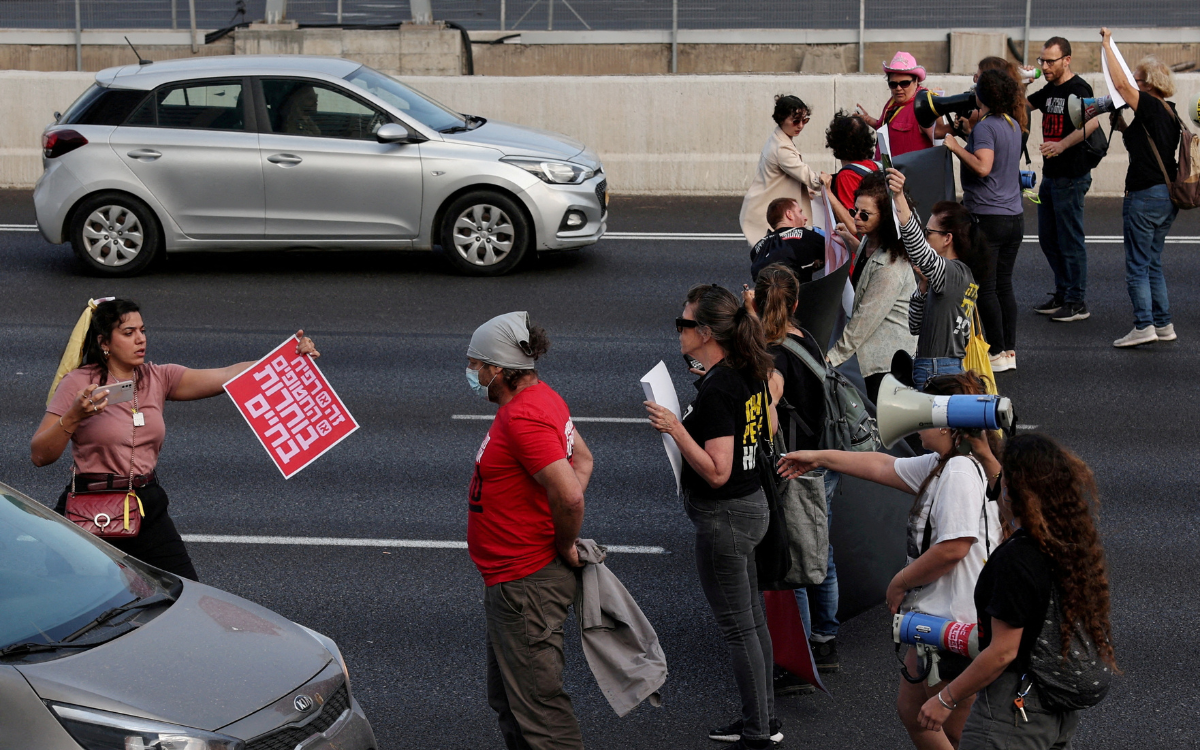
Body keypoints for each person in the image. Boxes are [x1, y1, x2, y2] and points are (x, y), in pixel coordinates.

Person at [778, 371, 1003, 750]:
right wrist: (817, 457)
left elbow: (955, 546)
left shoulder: (959, 471)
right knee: (928, 717)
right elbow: (881, 466)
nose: (917, 425)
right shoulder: (943, 463)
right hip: (950, 616)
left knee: (945, 725)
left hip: (957, 619)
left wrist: (899, 582)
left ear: (949, 428)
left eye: (924, 416)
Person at [31, 298, 320, 581]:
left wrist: (289, 357)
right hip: (93, 507)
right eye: (129, 333)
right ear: (105, 342)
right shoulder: (80, 383)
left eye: (142, 331)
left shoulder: (158, 377)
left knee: (185, 594)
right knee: (79, 606)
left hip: (146, 503)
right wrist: (73, 416)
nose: (140, 339)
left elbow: (229, 375)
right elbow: (40, 455)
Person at [916, 433, 1117, 750]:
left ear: (1018, 491)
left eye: (1006, 480)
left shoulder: (1017, 559)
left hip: (1016, 712)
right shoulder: (1067, 539)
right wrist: (985, 455)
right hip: (1055, 708)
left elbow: (1003, 652)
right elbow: (1010, 507)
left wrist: (946, 698)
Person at [644, 284, 780, 750]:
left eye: (683, 324)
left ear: (704, 332)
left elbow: (717, 472)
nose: (678, 332)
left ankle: (757, 731)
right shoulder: (750, 368)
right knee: (753, 621)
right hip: (753, 505)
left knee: (738, 628)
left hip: (726, 517)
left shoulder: (721, 385)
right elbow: (772, 426)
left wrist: (676, 427)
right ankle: (765, 719)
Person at [464, 311, 593, 750]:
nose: (471, 373)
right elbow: (583, 461)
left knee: (540, 713)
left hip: (526, 584)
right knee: (509, 702)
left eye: (475, 364)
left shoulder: (523, 418)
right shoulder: (544, 399)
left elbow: (571, 493)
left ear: (498, 369)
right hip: (513, 581)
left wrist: (563, 541)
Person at [748, 264, 839, 693]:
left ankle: (797, 658)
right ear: (796, 303)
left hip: (794, 464)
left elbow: (769, 397)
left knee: (796, 560)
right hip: (823, 454)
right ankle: (825, 636)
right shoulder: (807, 341)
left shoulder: (775, 355)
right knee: (823, 548)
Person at [1102, 29, 1183, 348]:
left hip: (1145, 196)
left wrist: (1108, 45)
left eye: (1138, 78)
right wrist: (1123, 127)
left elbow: (1120, 84)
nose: (1132, 83)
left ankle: (1144, 325)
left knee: (1137, 264)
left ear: (1148, 84)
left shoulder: (1148, 104)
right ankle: (1163, 324)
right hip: (1166, 196)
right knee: (1152, 261)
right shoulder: (1169, 111)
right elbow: (1148, 146)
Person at [942, 69, 1025, 374]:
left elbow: (983, 166)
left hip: (989, 216)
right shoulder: (1011, 123)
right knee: (1004, 286)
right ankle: (1009, 350)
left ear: (983, 96)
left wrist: (955, 146)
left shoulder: (987, 127)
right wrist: (967, 135)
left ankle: (997, 350)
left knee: (986, 288)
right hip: (1014, 216)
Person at [887, 169, 991, 390]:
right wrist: (923, 288)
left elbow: (918, 251)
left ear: (947, 239)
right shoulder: (953, 276)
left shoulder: (954, 272)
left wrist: (899, 198)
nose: (925, 237)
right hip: (938, 366)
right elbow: (915, 327)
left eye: (928, 232)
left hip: (937, 370)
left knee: (932, 426)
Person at [828, 171, 919, 405]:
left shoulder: (889, 269)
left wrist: (830, 358)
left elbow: (863, 320)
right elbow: (868, 261)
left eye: (865, 214)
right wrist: (850, 239)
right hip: (878, 356)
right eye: (854, 210)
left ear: (886, 218)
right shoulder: (872, 240)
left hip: (888, 366)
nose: (857, 217)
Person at [1027, 37, 1101, 323]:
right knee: (1048, 238)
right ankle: (1062, 292)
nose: (1044, 66)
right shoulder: (1049, 89)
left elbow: (1093, 121)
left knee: (1070, 240)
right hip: (1052, 176)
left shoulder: (1078, 88)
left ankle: (1076, 301)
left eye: (1050, 61)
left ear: (1066, 60)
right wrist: (1023, 80)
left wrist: (1061, 145)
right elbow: (1021, 106)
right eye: (1042, 61)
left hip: (1071, 176)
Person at [740, 95, 823, 246]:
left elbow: (786, 177)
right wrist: (829, 180)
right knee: (779, 260)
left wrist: (803, 190)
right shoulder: (782, 148)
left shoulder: (778, 138)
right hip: (769, 214)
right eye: (796, 121)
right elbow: (812, 180)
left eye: (805, 120)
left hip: (767, 208)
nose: (801, 126)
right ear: (781, 119)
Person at [857, 52, 951, 158]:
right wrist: (867, 119)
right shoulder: (892, 103)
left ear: (916, 81)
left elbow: (939, 145)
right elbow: (885, 128)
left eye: (904, 83)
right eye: (893, 84)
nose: (898, 88)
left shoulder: (924, 107)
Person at [821, 110, 881, 235]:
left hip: (860, 250)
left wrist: (827, 193)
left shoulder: (847, 176)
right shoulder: (876, 166)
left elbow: (854, 226)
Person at [750, 197, 827, 283]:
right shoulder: (806, 236)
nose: (805, 218)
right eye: (800, 212)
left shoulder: (757, 249)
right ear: (789, 214)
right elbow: (834, 249)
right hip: (797, 294)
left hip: (767, 295)